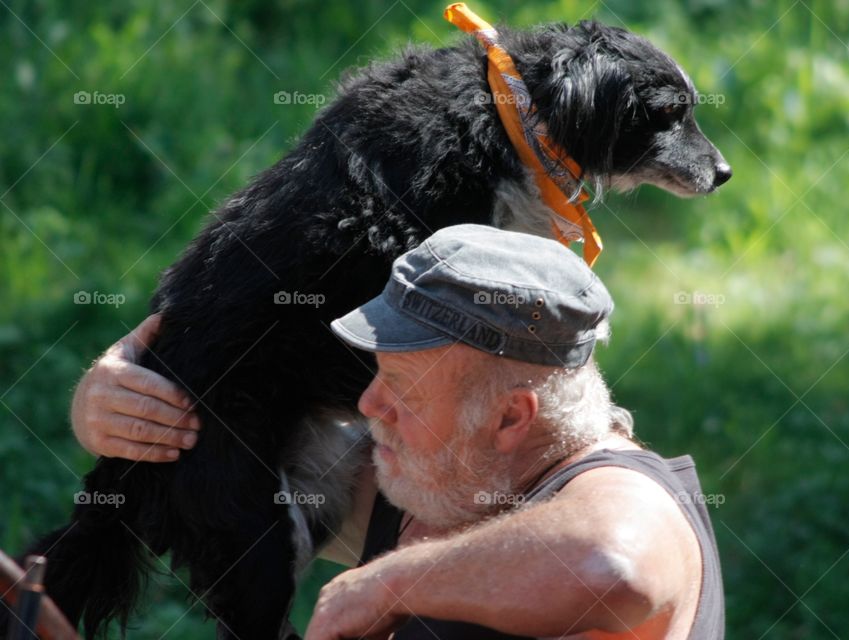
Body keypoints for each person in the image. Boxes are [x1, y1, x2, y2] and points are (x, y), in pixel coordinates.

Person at [70, 225, 724, 639]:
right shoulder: (429, 472)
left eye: (405, 390)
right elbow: (225, 477)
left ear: (511, 418)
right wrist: (116, 406)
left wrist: (385, 585)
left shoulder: (627, 492)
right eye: (375, 372)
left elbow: (608, 563)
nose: (369, 404)